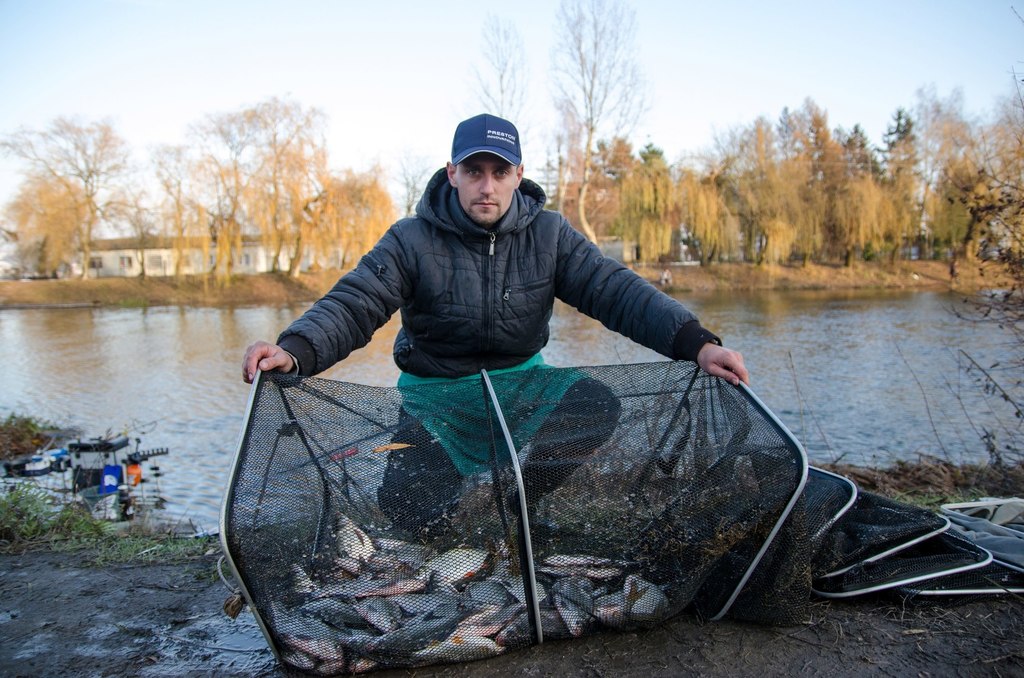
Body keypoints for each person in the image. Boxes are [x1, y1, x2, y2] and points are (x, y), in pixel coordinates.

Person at [242, 113, 748, 535]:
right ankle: (442, 508)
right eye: (474, 171)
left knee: (596, 405)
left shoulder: (550, 234)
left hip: (522, 384)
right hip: (435, 398)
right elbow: (355, 303)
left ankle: (520, 499)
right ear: (452, 173)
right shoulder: (410, 239)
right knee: (411, 517)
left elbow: (616, 291)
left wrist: (697, 344)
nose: (487, 186)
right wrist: (296, 349)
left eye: (500, 172)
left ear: (518, 174)